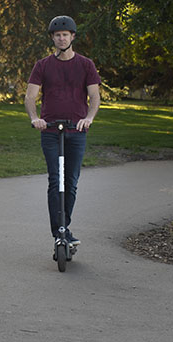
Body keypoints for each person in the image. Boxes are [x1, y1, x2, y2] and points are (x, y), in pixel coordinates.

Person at [25, 15, 101, 247]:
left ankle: (63, 227)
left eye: (65, 35)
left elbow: (95, 96)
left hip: (76, 131)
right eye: (57, 35)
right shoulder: (43, 65)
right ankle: (59, 232)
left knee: (71, 182)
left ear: (72, 37)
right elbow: (30, 96)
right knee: (55, 180)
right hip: (50, 131)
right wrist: (35, 118)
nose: (61, 38)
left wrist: (88, 118)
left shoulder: (85, 64)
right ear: (53, 38)